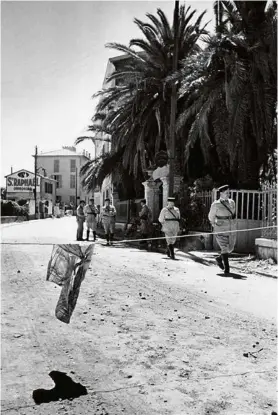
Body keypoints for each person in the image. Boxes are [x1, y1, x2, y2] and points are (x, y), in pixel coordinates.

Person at [208, 184, 236, 274]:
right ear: (221, 193)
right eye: (226, 193)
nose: (228, 194)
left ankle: (219, 259)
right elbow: (211, 216)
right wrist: (214, 225)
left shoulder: (232, 202)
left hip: (231, 227)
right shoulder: (215, 204)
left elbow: (233, 214)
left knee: (230, 248)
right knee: (224, 247)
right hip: (220, 227)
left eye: (229, 193)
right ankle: (227, 268)